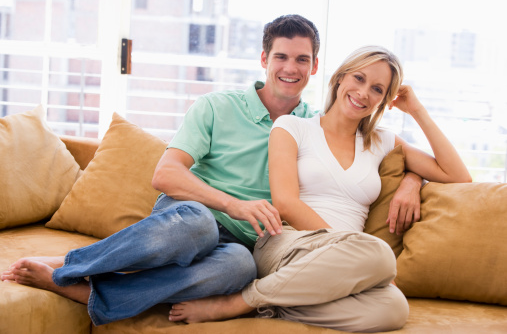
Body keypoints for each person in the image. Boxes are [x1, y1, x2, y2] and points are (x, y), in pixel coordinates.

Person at [1, 16, 422, 327]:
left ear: (315, 68)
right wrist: (233, 205)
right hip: (190, 217)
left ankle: (88, 292)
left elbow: (380, 150)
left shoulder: (315, 124)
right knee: (200, 225)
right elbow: (165, 175)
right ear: (264, 58)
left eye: (301, 59)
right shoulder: (217, 107)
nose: (290, 68)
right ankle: (72, 266)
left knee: (238, 269)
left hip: (242, 246)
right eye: (281, 56)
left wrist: (410, 178)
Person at [167, 46, 472, 332]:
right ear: (340, 79)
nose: (364, 93)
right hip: (288, 243)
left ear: (384, 100)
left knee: (394, 309)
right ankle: (239, 301)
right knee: (379, 254)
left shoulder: (383, 142)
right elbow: (285, 203)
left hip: (344, 261)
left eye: (377, 89)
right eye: (359, 78)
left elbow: (458, 177)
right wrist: (346, 245)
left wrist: (413, 161)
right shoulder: (292, 127)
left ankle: (271, 303)